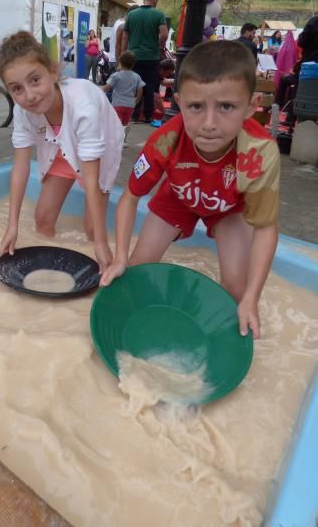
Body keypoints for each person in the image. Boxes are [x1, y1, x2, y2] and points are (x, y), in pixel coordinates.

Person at [100, 40, 280, 340]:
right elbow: (130, 197)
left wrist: (252, 296)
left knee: (237, 292)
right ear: (179, 101)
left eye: (226, 107)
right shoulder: (164, 140)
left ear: (251, 105)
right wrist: (120, 257)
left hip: (230, 209)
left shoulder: (260, 152)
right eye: (196, 107)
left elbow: (265, 228)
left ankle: (221, 341)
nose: (209, 123)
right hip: (177, 198)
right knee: (136, 271)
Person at [0, 31, 124, 272]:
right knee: (42, 219)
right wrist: (11, 225)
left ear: (53, 72)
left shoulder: (82, 104)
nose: (29, 95)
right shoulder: (23, 111)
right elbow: (21, 168)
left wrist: (100, 243)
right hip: (58, 146)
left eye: (35, 80)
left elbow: (90, 175)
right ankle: (50, 266)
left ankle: (93, 262)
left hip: (100, 146)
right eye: (17, 89)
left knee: (91, 229)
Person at [122, 0, 168, 123]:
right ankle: (148, 116)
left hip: (133, 57)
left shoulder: (131, 14)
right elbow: (164, 34)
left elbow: (125, 37)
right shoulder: (159, 14)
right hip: (151, 57)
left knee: (135, 86)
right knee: (149, 87)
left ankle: (134, 115)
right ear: (155, 0)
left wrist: (123, 55)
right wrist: (159, 46)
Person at [100, 50, 144, 129]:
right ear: (133, 64)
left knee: (116, 125)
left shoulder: (116, 75)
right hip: (130, 105)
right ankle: (123, 138)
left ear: (120, 63)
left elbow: (107, 88)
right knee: (125, 124)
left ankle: (116, 139)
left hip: (118, 104)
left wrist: (98, 89)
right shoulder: (136, 76)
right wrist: (136, 100)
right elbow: (140, 89)